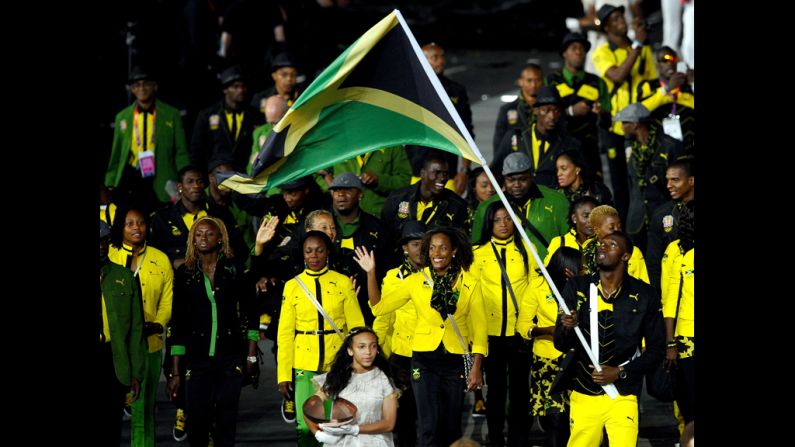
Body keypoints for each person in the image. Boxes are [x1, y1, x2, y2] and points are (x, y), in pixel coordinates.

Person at [354, 227, 487, 447]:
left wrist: (476, 366)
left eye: (443, 247)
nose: (437, 253)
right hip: (423, 360)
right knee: (428, 425)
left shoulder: (471, 283)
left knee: (452, 425)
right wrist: (371, 273)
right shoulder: (416, 281)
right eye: (432, 247)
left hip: (455, 360)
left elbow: (480, 329)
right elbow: (379, 308)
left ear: (453, 251)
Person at [554, 231, 665, 447]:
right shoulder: (576, 287)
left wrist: (620, 372)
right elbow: (560, 343)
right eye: (601, 244)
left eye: (611, 244)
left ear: (626, 256)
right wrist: (566, 327)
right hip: (583, 392)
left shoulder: (645, 295)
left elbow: (656, 350)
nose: (602, 247)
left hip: (623, 395)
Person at [166, 216, 259, 447]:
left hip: (230, 356)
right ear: (192, 240)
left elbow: (251, 313)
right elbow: (177, 322)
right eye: (198, 234)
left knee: (226, 420)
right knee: (197, 421)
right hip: (196, 359)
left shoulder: (234, 269)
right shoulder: (185, 273)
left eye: (209, 234)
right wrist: (175, 371)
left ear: (220, 239)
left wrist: (250, 356)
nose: (203, 238)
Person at [277, 230, 365, 446]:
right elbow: (285, 334)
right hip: (304, 365)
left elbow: (356, 328)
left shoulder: (343, 282)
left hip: (337, 364)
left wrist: (361, 364)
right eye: (309, 251)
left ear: (327, 252)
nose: (314, 255)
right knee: (307, 428)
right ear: (303, 254)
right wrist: (283, 374)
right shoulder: (292, 286)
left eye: (319, 250)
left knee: (338, 425)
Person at [471, 202, 539, 446]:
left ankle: (519, 440)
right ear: (489, 222)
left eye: (507, 219)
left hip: (519, 331)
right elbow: (473, 294)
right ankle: (496, 438)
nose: (503, 224)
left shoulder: (526, 250)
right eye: (498, 219)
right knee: (496, 391)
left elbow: (535, 288)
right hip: (490, 333)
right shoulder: (478, 253)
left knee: (521, 390)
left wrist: (529, 322)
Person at [108, 207, 173, 447]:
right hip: (116, 347)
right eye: (130, 224)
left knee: (144, 407)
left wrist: (158, 323)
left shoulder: (160, 258)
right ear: (120, 228)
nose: (137, 228)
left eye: (141, 223)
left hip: (150, 344)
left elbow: (167, 300)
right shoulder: (110, 256)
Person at [591, 3, 657, 224]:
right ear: (607, 28)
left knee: (641, 180)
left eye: (622, 17)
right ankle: (623, 229)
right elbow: (617, 76)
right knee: (620, 184)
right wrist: (637, 45)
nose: (622, 22)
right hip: (616, 128)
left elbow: (651, 80)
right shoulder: (602, 52)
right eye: (616, 20)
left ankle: (642, 226)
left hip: (640, 125)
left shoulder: (641, 47)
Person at [517, 247, 583, 447]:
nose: (583, 270)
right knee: (555, 419)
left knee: (578, 420)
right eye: (579, 268)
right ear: (566, 269)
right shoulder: (537, 286)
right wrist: (546, 331)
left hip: (576, 361)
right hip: (547, 361)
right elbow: (522, 325)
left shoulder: (583, 286)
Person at [105, 67, 189, 215]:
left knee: (162, 220)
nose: (142, 88)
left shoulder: (171, 114)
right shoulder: (122, 117)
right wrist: (110, 182)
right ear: (132, 89)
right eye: (137, 85)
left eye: (146, 84)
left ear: (155, 86)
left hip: (161, 175)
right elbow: (116, 153)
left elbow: (181, 151)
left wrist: (186, 177)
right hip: (132, 175)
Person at [371, 221, 425, 446]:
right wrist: (376, 356)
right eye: (414, 244)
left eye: (425, 244)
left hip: (433, 353)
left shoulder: (441, 274)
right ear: (405, 248)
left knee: (435, 416)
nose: (420, 249)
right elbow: (384, 318)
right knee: (405, 418)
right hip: (402, 356)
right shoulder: (394, 277)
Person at [307, 327, 406, 447]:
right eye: (361, 347)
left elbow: (389, 423)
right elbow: (310, 406)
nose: (368, 352)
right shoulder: (337, 377)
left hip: (375, 442)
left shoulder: (384, 380)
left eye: (373, 346)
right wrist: (319, 434)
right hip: (341, 443)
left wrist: (355, 429)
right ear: (350, 350)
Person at [99, 219, 147, 446]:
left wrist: (136, 373)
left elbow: (136, 329)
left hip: (113, 359)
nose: (100, 246)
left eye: (103, 241)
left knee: (111, 427)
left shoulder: (124, 277)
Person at [471, 152, 569, 261]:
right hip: (505, 276)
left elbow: (571, 241)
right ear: (504, 179)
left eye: (522, 179)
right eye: (511, 180)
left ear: (531, 176)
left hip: (547, 274)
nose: (517, 185)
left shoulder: (556, 200)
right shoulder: (487, 207)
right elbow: (476, 249)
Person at [616, 102, 684, 254]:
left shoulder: (669, 145)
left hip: (664, 215)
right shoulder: (630, 147)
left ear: (635, 124)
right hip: (637, 219)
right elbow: (630, 184)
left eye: (625, 123)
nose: (621, 127)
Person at [328, 173, 391, 326]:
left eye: (348, 190)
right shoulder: (320, 225)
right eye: (336, 190)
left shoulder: (377, 227)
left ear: (360, 194)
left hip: (367, 308)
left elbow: (388, 268)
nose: (341, 195)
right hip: (329, 306)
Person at [492, 86, 582, 189]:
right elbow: (495, 170)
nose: (552, 116)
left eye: (556, 111)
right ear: (535, 111)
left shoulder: (569, 144)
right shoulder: (515, 138)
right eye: (546, 110)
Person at [381, 156, 469, 262]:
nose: (442, 178)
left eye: (445, 174)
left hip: (437, 267)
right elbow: (385, 236)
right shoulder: (397, 198)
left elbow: (462, 244)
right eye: (436, 173)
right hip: (399, 265)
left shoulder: (457, 206)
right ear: (423, 173)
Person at [547, 33, 611, 179]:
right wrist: (570, 111)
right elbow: (542, 114)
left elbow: (608, 120)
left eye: (582, 49)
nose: (578, 52)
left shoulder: (596, 82)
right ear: (564, 53)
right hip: (559, 146)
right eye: (573, 48)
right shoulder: (552, 81)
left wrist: (601, 113)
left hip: (589, 149)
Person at [419, 43, 474, 194]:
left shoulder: (456, 90)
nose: (441, 61)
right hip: (416, 171)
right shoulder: (412, 90)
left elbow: (466, 132)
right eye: (435, 57)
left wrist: (464, 170)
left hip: (446, 170)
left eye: (442, 57)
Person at [189, 65, 264, 172]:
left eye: (243, 86)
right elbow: (196, 150)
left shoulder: (254, 115)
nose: (241, 90)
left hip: (246, 173)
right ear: (225, 89)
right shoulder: (207, 115)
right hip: (216, 174)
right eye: (236, 86)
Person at [661, 201, 694, 425]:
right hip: (687, 338)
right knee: (689, 400)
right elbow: (670, 299)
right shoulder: (676, 251)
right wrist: (671, 342)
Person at [319, 146, 412, 217]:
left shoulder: (392, 145)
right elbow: (318, 172)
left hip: (379, 219)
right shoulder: (337, 143)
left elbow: (404, 181)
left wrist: (379, 180)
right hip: (342, 218)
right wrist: (332, 187)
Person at [646, 158, 694, 291]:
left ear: (691, 181)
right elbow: (653, 261)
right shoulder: (661, 214)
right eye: (667, 180)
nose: (668, 185)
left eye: (675, 180)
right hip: (674, 291)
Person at [583, 204, 649, 283]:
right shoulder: (587, 250)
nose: (617, 230)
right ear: (597, 230)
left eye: (619, 227)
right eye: (611, 228)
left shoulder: (632, 251)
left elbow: (643, 284)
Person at [493, 64, 544, 154]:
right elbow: (498, 144)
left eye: (538, 80)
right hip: (516, 163)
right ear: (520, 81)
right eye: (529, 80)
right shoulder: (507, 110)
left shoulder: (549, 110)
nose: (534, 84)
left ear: (543, 81)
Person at [544, 195, 601, 266]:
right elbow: (548, 273)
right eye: (586, 216)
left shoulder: (603, 243)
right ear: (574, 218)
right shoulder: (559, 243)